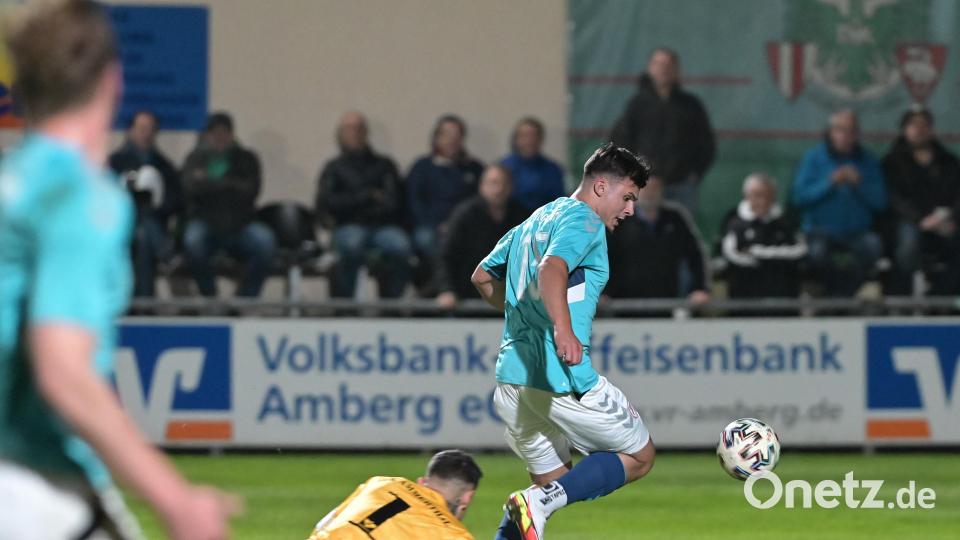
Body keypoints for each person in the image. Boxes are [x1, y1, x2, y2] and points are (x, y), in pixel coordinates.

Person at [0, 1, 237, 538]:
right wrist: (176, 500)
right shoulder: (79, 195)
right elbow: (62, 368)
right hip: (33, 489)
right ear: (113, 81)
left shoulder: (13, 183)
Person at [471, 143, 655, 540]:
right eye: (627, 197)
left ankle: (531, 509)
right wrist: (561, 328)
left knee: (552, 487)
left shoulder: (537, 218)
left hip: (513, 381)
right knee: (640, 456)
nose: (630, 210)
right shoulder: (584, 221)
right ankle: (538, 502)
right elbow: (552, 267)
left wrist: (523, 316)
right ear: (601, 186)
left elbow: (482, 277)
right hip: (560, 378)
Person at [609, 47, 715, 217]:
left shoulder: (691, 105)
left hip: (681, 186)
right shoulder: (637, 105)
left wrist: (694, 174)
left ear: (677, 70)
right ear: (650, 68)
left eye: (669, 64)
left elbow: (706, 144)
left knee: (680, 234)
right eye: (658, 64)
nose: (663, 69)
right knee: (642, 233)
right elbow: (622, 140)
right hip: (644, 186)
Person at [316, 111, 412, 298]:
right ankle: (344, 305)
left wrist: (353, 202)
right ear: (340, 134)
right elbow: (329, 204)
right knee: (352, 244)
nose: (354, 133)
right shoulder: (333, 168)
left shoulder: (385, 166)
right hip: (347, 226)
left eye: (359, 128)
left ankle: (391, 305)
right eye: (349, 128)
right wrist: (368, 195)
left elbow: (393, 203)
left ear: (366, 133)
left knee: (400, 246)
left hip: (383, 226)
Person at [791, 109, 887, 297]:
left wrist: (861, 184)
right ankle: (835, 299)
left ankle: (841, 298)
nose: (845, 136)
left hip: (858, 233)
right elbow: (799, 198)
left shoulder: (868, 161)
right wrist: (830, 182)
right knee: (817, 254)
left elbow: (881, 203)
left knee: (873, 246)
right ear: (830, 132)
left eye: (851, 130)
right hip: (820, 231)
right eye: (840, 129)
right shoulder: (813, 158)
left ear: (857, 134)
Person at [181, 111, 276, 297]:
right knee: (192, 241)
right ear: (207, 135)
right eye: (215, 133)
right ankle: (210, 298)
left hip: (241, 224)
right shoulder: (194, 159)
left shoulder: (247, 158)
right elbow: (190, 189)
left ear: (232, 134)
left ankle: (245, 299)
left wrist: (209, 182)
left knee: (266, 242)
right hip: (205, 222)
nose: (220, 137)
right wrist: (230, 184)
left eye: (224, 132)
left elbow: (251, 191)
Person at [307, 450, 482, 540]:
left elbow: (325, 523)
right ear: (467, 498)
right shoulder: (454, 535)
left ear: (422, 482)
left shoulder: (380, 483)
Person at [881, 106, 960, 295]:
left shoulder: (948, 161)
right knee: (907, 246)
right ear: (905, 129)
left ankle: (941, 299)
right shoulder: (892, 162)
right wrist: (920, 220)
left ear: (932, 129)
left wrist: (950, 216)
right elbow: (893, 199)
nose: (919, 130)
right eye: (913, 125)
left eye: (924, 125)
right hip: (908, 222)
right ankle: (902, 301)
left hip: (944, 220)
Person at [109, 109, 182, 298]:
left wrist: (154, 205)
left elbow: (174, 200)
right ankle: (165, 255)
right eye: (141, 128)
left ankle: (142, 304)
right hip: (118, 228)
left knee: (143, 233)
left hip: (152, 225)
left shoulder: (165, 166)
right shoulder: (114, 163)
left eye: (150, 129)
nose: (146, 133)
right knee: (142, 228)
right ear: (131, 130)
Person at [406, 114, 484, 291]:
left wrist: (455, 225)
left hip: (465, 228)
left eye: (456, 136)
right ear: (436, 137)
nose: (452, 140)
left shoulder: (474, 169)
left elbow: (479, 204)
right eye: (447, 135)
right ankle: (437, 290)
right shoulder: (422, 167)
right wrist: (435, 225)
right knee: (429, 242)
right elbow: (414, 203)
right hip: (430, 227)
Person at [605, 176, 711, 305]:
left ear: (662, 191)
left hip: (667, 304)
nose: (650, 193)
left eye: (655, 188)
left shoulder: (675, 219)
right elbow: (603, 257)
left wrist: (699, 288)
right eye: (645, 188)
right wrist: (602, 292)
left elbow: (695, 256)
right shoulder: (619, 220)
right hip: (624, 305)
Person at [435, 165, 527, 309]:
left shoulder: (522, 218)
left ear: (511, 187)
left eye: (504, 184)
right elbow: (445, 255)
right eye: (493, 183)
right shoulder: (465, 215)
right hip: (465, 298)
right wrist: (446, 290)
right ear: (482, 186)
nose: (499, 189)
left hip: (509, 302)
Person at [720, 173, 806, 300]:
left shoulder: (786, 222)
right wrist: (773, 259)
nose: (763, 201)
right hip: (744, 298)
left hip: (783, 296)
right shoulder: (734, 221)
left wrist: (756, 253)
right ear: (747, 196)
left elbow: (800, 250)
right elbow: (731, 254)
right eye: (757, 195)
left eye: (768, 196)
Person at [500, 117, 566, 212]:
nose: (529, 141)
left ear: (541, 139)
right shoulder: (504, 167)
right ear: (516, 139)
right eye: (524, 136)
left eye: (533, 136)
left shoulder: (553, 170)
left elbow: (559, 203)